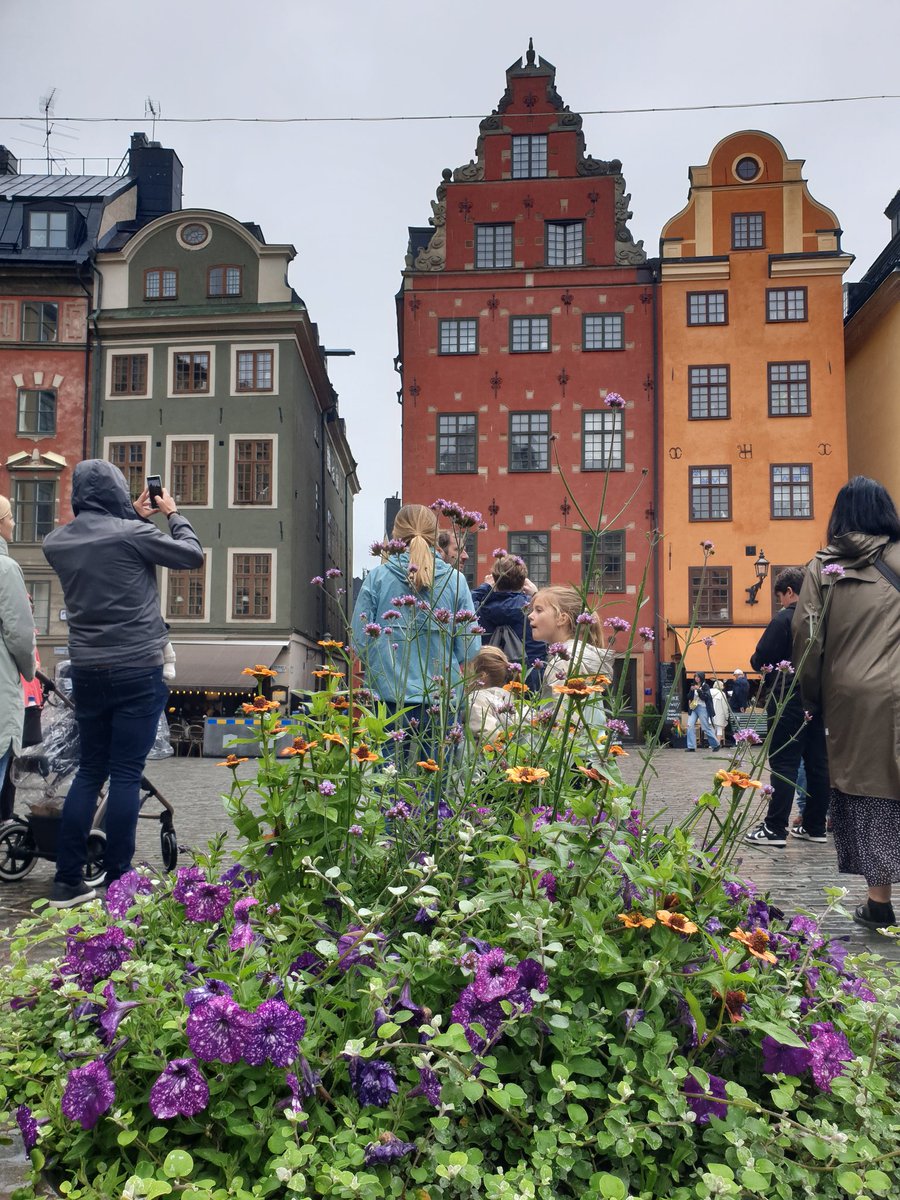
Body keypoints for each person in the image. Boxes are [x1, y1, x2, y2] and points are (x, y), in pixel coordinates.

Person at [42, 460, 203, 907]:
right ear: (116, 490)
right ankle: (118, 881)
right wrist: (172, 513)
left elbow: (101, 541)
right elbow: (192, 555)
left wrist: (129, 515)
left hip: (88, 671)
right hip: (137, 666)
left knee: (90, 771)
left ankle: (66, 880)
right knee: (126, 773)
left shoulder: (57, 542)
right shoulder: (133, 534)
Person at [793, 476, 900, 930]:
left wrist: (812, 696)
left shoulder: (823, 566)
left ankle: (879, 901)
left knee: (870, 787)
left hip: (855, 697)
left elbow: (806, 639)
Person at [351, 504, 480, 756]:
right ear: (436, 535)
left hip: (388, 699)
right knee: (436, 783)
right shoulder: (456, 581)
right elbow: (469, 647)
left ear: (396, 533)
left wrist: (384, 663)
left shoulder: (378, 578)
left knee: (386, 783)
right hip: (441, 700)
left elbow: (359, 639)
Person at [744, 567, 830, 849]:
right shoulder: (823, 618)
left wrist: (758, 660)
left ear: (790, 592)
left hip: (787, 699)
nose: (780, 601)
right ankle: (815, 825)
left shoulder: (785, 619)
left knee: (784, 764)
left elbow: (761, 658)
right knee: (818, 764)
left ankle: (774, 828)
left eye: (780, 596)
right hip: (819, 697)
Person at [528, 586, 614, 751]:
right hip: (590, 755)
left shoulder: (564, 661)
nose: (530, 616)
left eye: (538, 610)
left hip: (571, 761)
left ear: (562, 619)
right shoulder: (577, 655)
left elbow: (565, 719)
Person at [0, 496, 37, 816]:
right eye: (10, 517)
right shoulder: (6, 569)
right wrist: (29, 669)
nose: (13, 523)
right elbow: (21, 636)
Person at [471, 554, 545, 690]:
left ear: (494, 579)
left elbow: (462, 606)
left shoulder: (478, 609)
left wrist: (485, 587)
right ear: (523, 582)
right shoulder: (534, 609)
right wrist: (537, 595)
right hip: (530, 680)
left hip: (489, 679)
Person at [466, 646, 513, 743]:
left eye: (466, 669)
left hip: (489, 756)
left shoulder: (475, 700)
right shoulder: (511, 699)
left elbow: (489, 733)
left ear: (482, 676)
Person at [685, 673, 719, 752]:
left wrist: (699, 690)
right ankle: (691, 746)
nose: (696, 678)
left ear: (701, 677)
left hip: (702, 708)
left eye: (698, 677)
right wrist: (691, 690)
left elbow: (705, 697)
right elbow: (689, 697)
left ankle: (716, 744)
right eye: (695, 677)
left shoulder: (705, 686)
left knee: (705, 727)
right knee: (690, 725)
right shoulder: (693, 685)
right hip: (694, 707)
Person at [711, 678, 730, 746]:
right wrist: (726, 716)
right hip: (719, 714)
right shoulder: (722, 694)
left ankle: (712, 743)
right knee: (719, 729)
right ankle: (717, 743)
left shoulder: (709, 692)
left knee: (712, 730)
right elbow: (725, 706)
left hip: (710, 714)